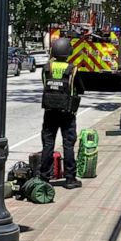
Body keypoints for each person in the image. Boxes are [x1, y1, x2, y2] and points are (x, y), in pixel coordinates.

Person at [40, 37, 85, 189]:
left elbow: (44, 83)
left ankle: (44, 177)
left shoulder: (47, 68)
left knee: (48, 144)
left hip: (50, 111)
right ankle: (70, 179)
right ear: (68, 52)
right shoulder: (72, 69)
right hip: (67, 112)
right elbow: (80, 88)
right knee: (68, 145)